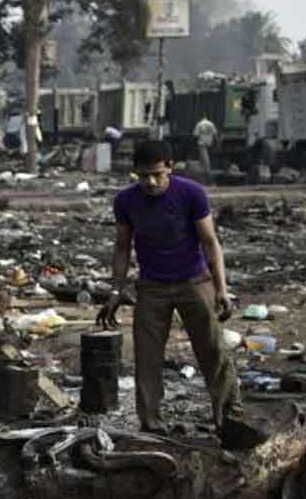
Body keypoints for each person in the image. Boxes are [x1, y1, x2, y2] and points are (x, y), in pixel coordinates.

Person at [98, 138, 244, 438]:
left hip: (194, 281)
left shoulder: (191, 193)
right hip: (152, 286)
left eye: (157, 174)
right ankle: (151, 425)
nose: (150, 182)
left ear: (170, 168)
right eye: (143, 176)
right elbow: (123, 247)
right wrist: (115, 291)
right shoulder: (125, 201)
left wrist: (221, 289)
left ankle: (230, 420)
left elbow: (209, 242)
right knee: (147, 357)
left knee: (213, 351)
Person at [193, 115, 218, 186]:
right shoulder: (211, 124)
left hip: (202, 145)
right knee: (203, 163)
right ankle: (203, 181)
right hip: (209, 144)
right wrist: (216, 144)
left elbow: (195, 135)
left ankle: (210, 182)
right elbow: (215, 135)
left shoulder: (199, 124)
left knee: (206, 164)